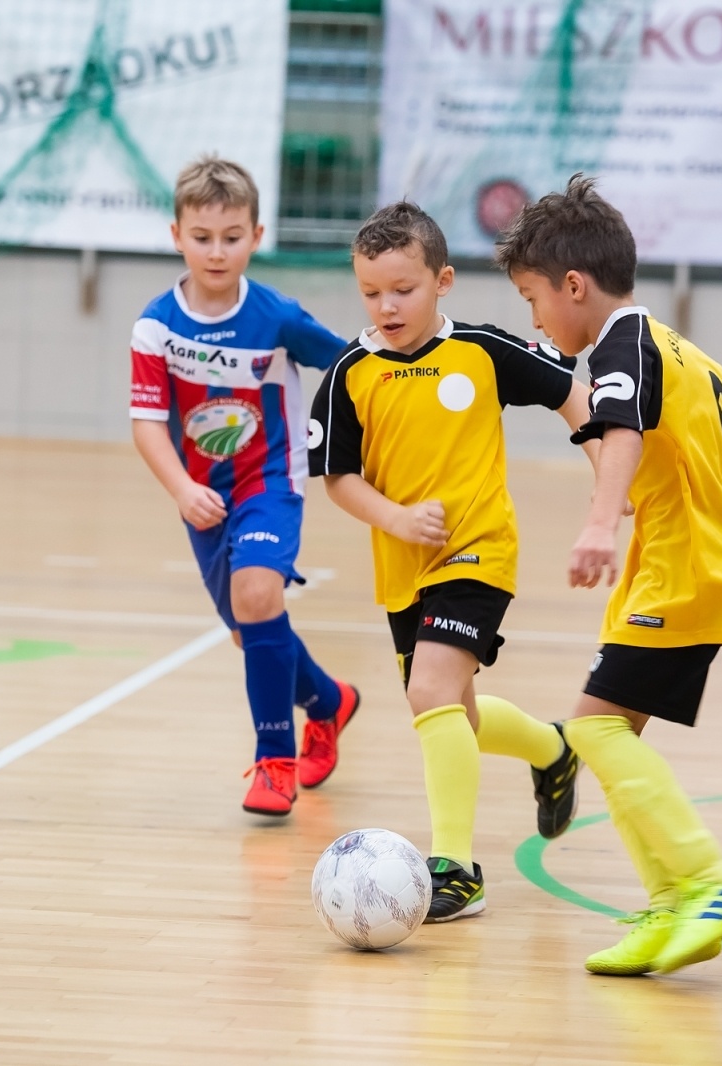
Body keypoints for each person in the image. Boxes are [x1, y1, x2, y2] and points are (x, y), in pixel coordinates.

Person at [495, 175, 722, 976]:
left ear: (573, 285)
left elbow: (622, 434)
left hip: (678, 571)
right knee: (612, 737)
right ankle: (666, 904)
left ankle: (711, 879)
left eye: (532, 297)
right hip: (691, 568)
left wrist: (595, 524)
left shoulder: (625, 342)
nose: (534, 317)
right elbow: (627, 435)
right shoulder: (688, 354)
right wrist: (569, 410)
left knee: (592, 730)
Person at [308, 200, 591, 922]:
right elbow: (338, 477)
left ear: (444, 281)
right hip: (403, 568)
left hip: (479, 549)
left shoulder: (483, 350)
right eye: (372, 292)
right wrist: (395, 518)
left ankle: (456, 869)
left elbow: (572, 395)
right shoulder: (350, 370)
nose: (387, 305)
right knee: (450, 708)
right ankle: (551, 749)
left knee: (430, 692)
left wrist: (608, 480)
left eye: (403, 289)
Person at [129, 156, 359, 818]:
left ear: (257, 236)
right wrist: (180, 489)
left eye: (232, 236)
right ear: (177, 235)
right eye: (203, 237)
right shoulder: (156, 326)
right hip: (201, 495)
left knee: (256, 594)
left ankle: (274, 761)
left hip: (270, 483)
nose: (217, 250)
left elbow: (348, 365)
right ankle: (329, 701)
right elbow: (146, 424)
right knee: (248, 627)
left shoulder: (277, 317)